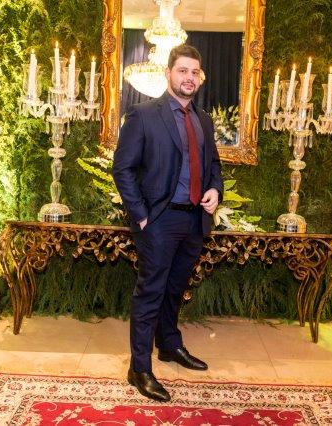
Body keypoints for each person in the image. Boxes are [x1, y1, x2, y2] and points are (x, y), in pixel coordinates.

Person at [112, 44, 223, 402]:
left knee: (175, 289)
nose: (189, 77)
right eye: (182, 70)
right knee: (151, 293)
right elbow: (122, 169)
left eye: (195, 72)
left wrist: (215, 190)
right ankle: (139, 368)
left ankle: (169, 345)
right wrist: (142, 215)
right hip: (159, 220)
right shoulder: (144, 115)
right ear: (168, 73)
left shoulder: (203, 119)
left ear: (200, 78)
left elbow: (214, 165)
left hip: (194, 221)